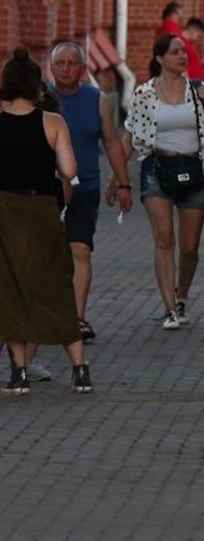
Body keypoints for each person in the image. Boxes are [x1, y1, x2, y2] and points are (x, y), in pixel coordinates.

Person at [0, 49, 90, 395]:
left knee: (11, 291)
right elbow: (69, 170)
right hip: (42, 210)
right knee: (55, 285)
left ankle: (19, 372)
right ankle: (80, 368)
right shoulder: (52, 122)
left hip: (6, 212)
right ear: (36, 84)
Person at [120, 34, 204, 330]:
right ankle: (168, 309)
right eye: (175, 52)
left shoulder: (198, 90)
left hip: (193, 167)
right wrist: (118, 177)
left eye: (183, 52)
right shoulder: (144, 93)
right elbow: (130, 136)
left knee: (189, 246)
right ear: (160, 58)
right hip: (157, 167)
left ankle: (182, 296)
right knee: (164, 239)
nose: (182, 56)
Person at [49, 42, 133, 342]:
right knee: (50, 256)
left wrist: (123, 183)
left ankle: (77, 318)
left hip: (85, 188)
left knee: (80, 250)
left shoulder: (98, 100)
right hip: (47, 191)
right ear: (52, 67)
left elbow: (111, 142)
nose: (67, 69)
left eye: (73, 64)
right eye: (61, 63)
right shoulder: (42, 100)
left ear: (84, 70)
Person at [157, 1, 204, 82]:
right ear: (176, 12)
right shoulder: (169, 27)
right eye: (181, 11)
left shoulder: (175, 28)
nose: (183, 15)